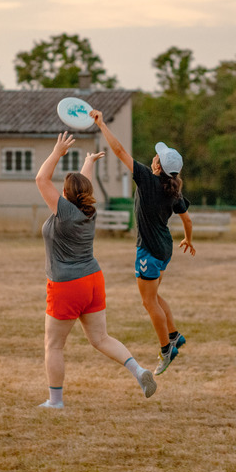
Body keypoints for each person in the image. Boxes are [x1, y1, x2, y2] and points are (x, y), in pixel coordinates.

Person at [35, 131, 157, 409]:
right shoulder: (89, 210)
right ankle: (138, 371)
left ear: (65, 196)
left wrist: (57, 152)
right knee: (100, 338)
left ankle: (55, 401)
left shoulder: (64, 212)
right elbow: (83, 186)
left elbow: (41, 179)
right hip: (92, 279)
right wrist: (88, 161)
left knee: (53, 345)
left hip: (66, 285)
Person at [90, 110, 196, 376]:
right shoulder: (173, 189)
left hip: (149, 251)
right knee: (155, 297)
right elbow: (188, 221)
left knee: (149, 303)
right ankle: (174, 335)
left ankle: (166, 350)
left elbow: (119, 150)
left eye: (156, 157)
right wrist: (188, 239)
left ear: (158, 166)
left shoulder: (148, 180)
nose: (153, 157)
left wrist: (102, 124)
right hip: (165, 250)